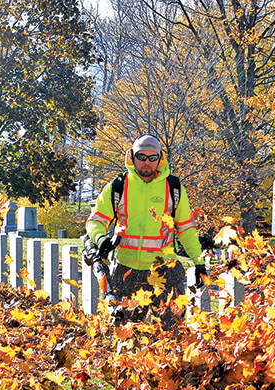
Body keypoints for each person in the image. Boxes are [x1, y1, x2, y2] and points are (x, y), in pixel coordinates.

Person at [85, 135, 207, 316]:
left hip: (166, 271)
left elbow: (186, 229)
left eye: (152, 158)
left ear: (160, 158)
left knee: (171, 333)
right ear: (132, 157)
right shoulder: (118, 186)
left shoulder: (173, 188)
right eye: (141, 157)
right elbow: (95, 221)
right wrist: (100, 238)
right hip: (126, 271)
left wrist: (199, 263)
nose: (147, 162)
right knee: (127, 334)